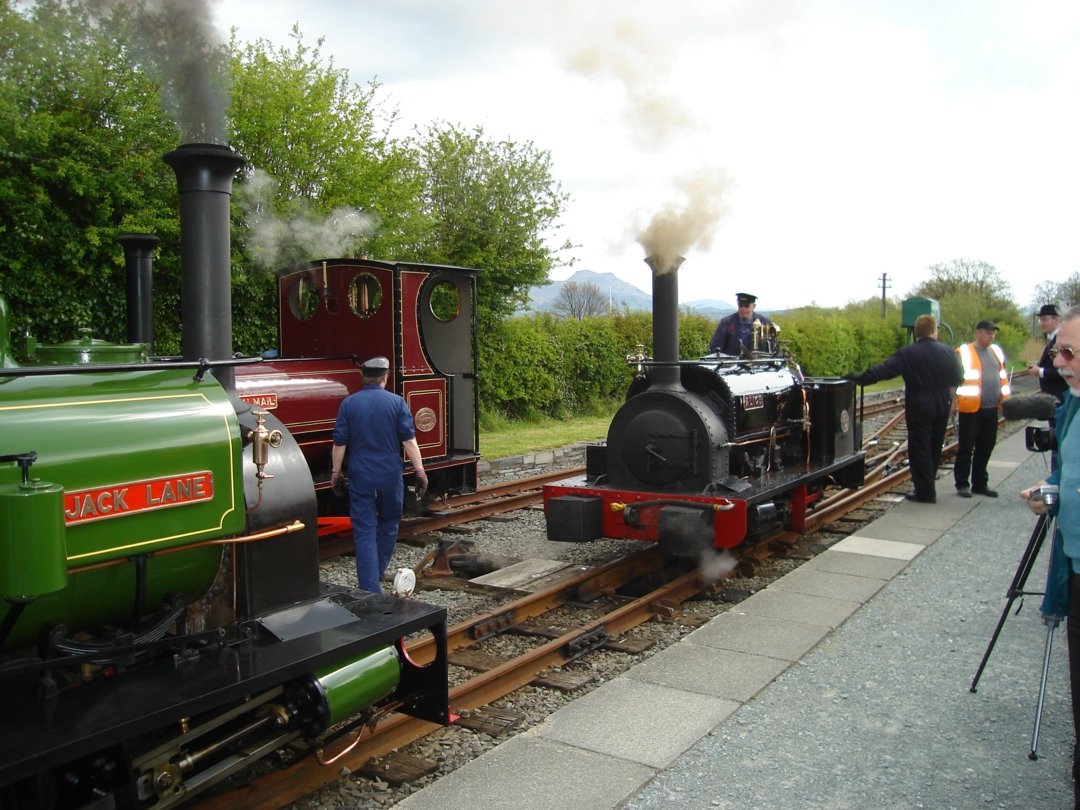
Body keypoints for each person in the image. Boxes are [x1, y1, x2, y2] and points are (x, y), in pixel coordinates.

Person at [1020, 304, 1080, 802]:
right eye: (1058, 350)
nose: (1057, 362)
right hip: (1073, 563)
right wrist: (1053, 491)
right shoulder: (1075, 409)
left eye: (1067, 352)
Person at [331, 356, 428, 592]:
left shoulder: (349, 404)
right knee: (388, 523)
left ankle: (369, 586)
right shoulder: (396, 403)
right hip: (389, 473)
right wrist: (420, 470)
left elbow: (340, 443)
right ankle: (375, 574)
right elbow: (409, 440)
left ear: (363, 378)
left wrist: (335, 473)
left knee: (364, 527)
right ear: (385, 377)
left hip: (360, 472)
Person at [852, 314, 962, 503]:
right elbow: (959, 376)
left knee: (920, 447)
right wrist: (952, 399)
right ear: (934, 331)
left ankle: (925, 491)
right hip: (942, 401)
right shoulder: (948, 352)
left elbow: (884, 371)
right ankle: (928, 485)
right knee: (935, 445)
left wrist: (857, 377)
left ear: (916, 333)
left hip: (919, 401)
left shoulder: (908, 353)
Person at [953, 319, 1010, 498]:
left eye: (993, 332)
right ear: (978, 332)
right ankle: (962, 483)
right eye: (988, 332)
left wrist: (1006, 401)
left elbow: (1002, 375)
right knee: (966, 446)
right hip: (970, 409)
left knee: (986, 446)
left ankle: (980, 483)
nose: (991, 335)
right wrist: (953, 401)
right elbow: (953, 379)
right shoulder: (965, 352)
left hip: (991, 407)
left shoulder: (996, 352)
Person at [708, 292, 778, 356]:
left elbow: (773, 347)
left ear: (754, 306)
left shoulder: (764, 323)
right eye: (740, 305)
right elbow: (715, 346)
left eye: (746, 306)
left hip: (758, 365)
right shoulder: (727, 322)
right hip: (732, 365)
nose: (743, 309)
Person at [1027, 303, 1068, 403]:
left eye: (1045, 319)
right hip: (1054, 397)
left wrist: (1040, 371)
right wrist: (1039, 366)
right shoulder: (1053, 339)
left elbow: (1065, 370)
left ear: (1056, 320)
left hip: (1060, 398)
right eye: (1041, 320)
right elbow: (1054, 362)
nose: (1041, 323)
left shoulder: (1061, 340)